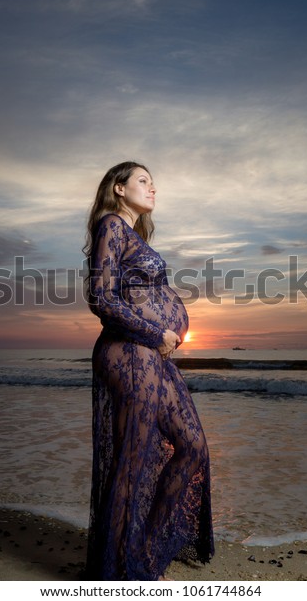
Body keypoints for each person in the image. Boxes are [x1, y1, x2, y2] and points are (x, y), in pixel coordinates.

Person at [84, 161, 214, 581]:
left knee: (192, 446)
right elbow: (102, 299)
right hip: (129, 352)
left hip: (150, 355)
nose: (153, 188)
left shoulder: (132, 235)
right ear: (118, 189)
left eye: (154, 183)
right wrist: (156, 331)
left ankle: (143, 550)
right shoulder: (111, 226)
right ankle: (122, 570)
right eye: (143, 181)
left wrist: (162, 334)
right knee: (133, 460)